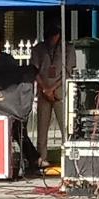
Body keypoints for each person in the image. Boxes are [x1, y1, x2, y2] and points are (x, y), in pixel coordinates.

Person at [0, 29, 40, 175]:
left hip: (7, 103)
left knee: (18, 131)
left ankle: (33, 160)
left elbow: (15, 82)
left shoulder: (8, 60)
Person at [29, 24, 72, 165]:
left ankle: (69, 155)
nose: (51, 38)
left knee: (65, 126)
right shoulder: (38, 49)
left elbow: (68, 73)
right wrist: (45, 89)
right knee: (42, 127)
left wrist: (52, 88)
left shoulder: (68, 48)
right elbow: (34, 71)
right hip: (43, 91)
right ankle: (42, 157)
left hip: (60, 91)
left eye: (54, 35)